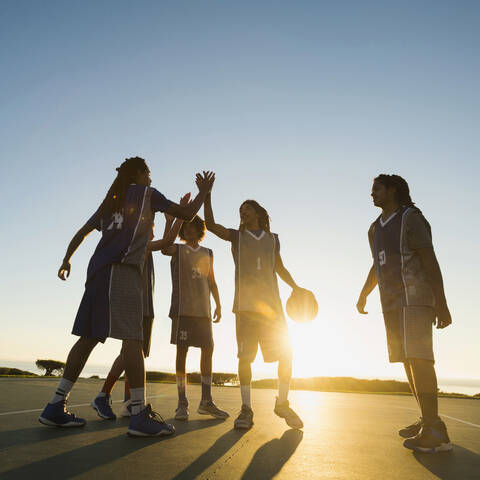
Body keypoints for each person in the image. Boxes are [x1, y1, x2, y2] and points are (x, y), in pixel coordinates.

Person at [38, 157, 214, 437]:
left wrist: (66, 259)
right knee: (134, 341)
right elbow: (189, 213)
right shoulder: (147, 194)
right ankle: (140, 415)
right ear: (141, 174)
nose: (151, 179)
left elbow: (83, 231)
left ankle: (55, 406)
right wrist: (205, 192)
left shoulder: (113, 198)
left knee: (89, 337)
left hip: (97, 272)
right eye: (149, 173)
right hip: (121, 273)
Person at [356, 174, 453, 453]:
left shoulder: (411, 218)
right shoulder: (374, 229)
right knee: (407, 362)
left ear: (393, 190)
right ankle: (428, 420)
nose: (371, 193)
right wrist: (364, 293)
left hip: (415, 298)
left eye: (376, 188)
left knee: (420, 359)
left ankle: (433, 430)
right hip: (392, 303)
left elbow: (429, 260)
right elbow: (377, 264)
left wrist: (441, 302)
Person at [204, 190, 308, 430]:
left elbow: (279, 268)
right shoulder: (236, 237)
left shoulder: (273, 239)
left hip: (273, 309)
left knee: (286, 355)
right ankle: (246, 409)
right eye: (240, 210)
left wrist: (296, 287)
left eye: (247, 208)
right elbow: (210, 225)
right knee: (245, 358)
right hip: (246, 308)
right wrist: (208, 194)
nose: (242, 212)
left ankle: (282, 403)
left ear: (259, 213)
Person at [91, 196, 189, 420]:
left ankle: (125, 401)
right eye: (150, 228)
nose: (151, 232)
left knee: (134, 354)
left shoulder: (144, 246)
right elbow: (167, 241)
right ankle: (106, 395)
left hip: (145, 305)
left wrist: (169, 219)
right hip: (138, 305)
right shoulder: (139, 246)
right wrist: (180, 216)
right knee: (131, 352)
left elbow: (164, 239)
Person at [160, 215, 229, 421]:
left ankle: (206, 401)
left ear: (200, 229)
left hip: (203, 311)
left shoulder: (208, 252)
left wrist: (218, 303)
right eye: (185, 226)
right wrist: (170, 221)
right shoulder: (178, 249)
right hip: (183, 310)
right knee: (182, 353)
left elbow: (212, 281)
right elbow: (164, 248)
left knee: (208, 350)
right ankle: (182, 404)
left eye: (192, 226)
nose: (189, 230)